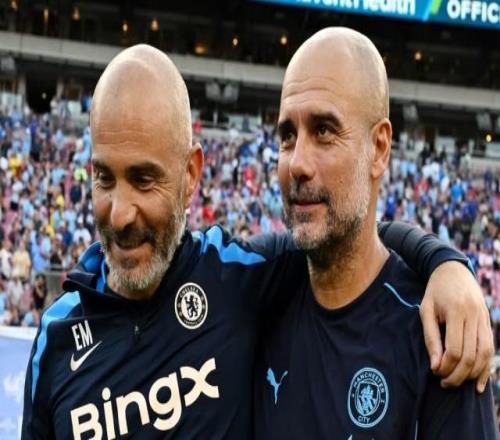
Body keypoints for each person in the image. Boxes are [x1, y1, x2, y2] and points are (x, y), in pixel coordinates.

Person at [22, 44, 492, 439]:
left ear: (191, 175)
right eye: (104, 178)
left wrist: (446, 264)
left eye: (145, 180)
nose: (120, 213)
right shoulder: (57, 338)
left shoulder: (234, 278)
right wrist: (446, 261)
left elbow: (352, 235)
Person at [253, 27, 498, 438]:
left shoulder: (436, 339)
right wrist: (444, 258)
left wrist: (447, 263)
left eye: (324, 131)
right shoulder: (255, 295)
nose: (297, 164)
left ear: (379, 149)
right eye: (287, 136)